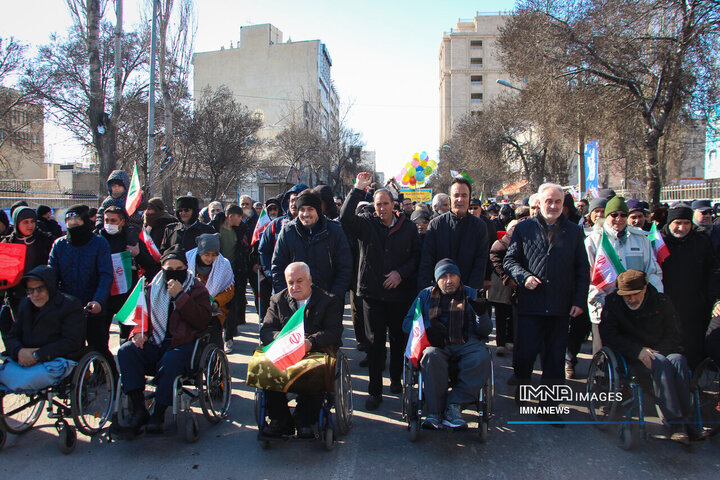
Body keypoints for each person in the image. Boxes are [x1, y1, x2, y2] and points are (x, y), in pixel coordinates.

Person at [504, 183, 590, 422]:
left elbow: (583, 269)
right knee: (526, 353)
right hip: (531, 303)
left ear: (563, 205)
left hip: (561, 306)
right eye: (548, 201)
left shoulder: (573, 231)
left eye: (557, 202)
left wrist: (579, 301)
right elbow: (510, 261)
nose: (553, 206)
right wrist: (524, 277)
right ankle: (523, 388)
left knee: (554, 357)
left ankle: (549, 405)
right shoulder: (524, 229)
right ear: (539, 204)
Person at [341, 172, 421, 410]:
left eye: (386, 203)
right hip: (372, 294)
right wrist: (358, 189)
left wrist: (401, 274)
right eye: (378, 204)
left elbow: (416, 256)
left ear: (394, 205)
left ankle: (396, 380)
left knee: (398, 340)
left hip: (398, 294)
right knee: (374, 344)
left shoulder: (408, 228)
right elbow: (344, 217)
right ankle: (375, 390)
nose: (382, 208)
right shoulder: (367, 225)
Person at [600, 270, 706, 444]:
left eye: (635, 294)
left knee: (678, 360)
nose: (631, 299)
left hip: (661, 351)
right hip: (631, 357)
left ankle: (688, 421)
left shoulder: (662, 302)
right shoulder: (614, 304)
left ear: (645, 288)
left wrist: (658, 351)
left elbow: (674, 333)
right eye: (626, 296)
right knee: (662, 363)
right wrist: (638, 351)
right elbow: (610, 336)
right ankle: (676, 424)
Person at [115, 245, 212, 436]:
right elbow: (139, 315)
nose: (174, 274)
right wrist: (138, 332)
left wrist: (180, 297)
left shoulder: (196, 289)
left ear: (186, 268)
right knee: (126, 351)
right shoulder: (151, 287)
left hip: (182, 343)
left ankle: (158, 413)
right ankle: (138, 408)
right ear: (162, 269)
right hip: (155, 341)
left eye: (179, 269)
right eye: (169, 270)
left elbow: (201, 321)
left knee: (170, 361)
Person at [403, 258, 492, 429]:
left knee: (481, 357)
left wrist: (482, 315)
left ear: (459, 277)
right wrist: (427, 330)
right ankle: (435, 412)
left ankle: (454, 406)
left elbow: (485, 331)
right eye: (444, 277)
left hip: (466, 341)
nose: (449, 281)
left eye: (452, 276)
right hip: (437, 343)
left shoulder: (471, 294)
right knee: (430, 356)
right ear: (437, 279)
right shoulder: (426, 295)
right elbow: (407, 323)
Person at [259, 262, 343, 438]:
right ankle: (280, 420)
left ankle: (305, 419)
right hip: (286, 351)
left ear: (310, 280)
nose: (294, 286)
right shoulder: (278, 300)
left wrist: (311, 342)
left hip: (315, 350)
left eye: (299, 281)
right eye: (290, 282)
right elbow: (266, 330)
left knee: (313, 370)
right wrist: (282, 340)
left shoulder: (328, 300)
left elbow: (334, 332)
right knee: (265, 366)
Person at [585, 196, 662, 353]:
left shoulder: (641, 239)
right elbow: (588, 276)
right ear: (606, 216)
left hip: (635, 305)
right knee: (602, 352)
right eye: (614, 215)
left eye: (623, 215)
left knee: (635, 350)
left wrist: (654, 296)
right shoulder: (593, 240)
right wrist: (598, 301)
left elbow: (653, 271)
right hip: (604, 304)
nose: (618, 219)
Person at [48, 205, 114, 375]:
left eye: (78, 223)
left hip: (92, 304)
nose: (74, 226)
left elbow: (106, 274)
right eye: (70, 224)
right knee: (70, 347)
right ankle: (77, 380)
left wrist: (98, 300)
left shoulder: (99, 243)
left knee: (98, 345)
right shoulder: (60, 245)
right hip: (67, 305)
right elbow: (52, 274)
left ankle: (108, 377)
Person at [0, 266, 86, 390]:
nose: (34, 295)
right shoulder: (25, 304)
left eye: (39, 289)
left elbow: (71, 341)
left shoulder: (69, 305)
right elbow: (12, 335)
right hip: (24, 360)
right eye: (30, 290)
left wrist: (37, 355)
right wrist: (19, 351)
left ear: (50, 287)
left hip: (53, 360)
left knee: (27, 379)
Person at [659, 202, 720, 369]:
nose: (682, 227)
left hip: (695, 307)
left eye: (686, 223)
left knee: (694, 349)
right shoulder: (658, 242)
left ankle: (693, 386)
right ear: (669, 223)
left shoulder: (701, 241)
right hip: (666, 306)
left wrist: (715, 299)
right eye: (677, 223)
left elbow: (713, 272)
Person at [271, 189, 352, 298]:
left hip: (328, 301)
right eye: (302, 209)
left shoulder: (335, 231)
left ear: (318, 210)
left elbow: (344, 268)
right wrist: (286, 298)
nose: (306, 214)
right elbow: (278, 267)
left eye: (310, 209)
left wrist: (334, 297)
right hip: (295, 301)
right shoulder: (287, 232)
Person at [418, 176, 489, 292]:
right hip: (440, 291)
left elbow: (480, 263)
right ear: (450, 198)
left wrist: (470, 292)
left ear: (469, 198)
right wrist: (425, 293)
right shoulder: (436, 225)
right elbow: (427, 262)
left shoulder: (479, 227)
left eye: (464, 195)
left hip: (468, 292)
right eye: (456, 195)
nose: (460, 199)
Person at [101, 206, 158, 344]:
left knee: (127, 338)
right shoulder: (98, 238)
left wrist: (138, 254)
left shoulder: (133, 238)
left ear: (122, 222)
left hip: (127, 296)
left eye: (113, 220)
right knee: (100, 338)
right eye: (106, 220)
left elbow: (152, 266)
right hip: (105, 295)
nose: (109, 224)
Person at [1, 207, 55, 317]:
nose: (30, 226)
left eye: (32, 222)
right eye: (25, 222)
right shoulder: (8, 243)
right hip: (16, 297)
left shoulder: (46, 240)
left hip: (41, 294)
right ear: (17, 223)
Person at [186, 233, 234, 347]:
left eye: (213, 255)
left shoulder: (224, 265)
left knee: (214, 340)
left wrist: (216, 302)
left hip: (214, 312)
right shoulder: (187, 261)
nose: (210, 258)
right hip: (190, 309)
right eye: (206, 254)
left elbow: (229, 290)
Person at [216, 205, 248, 350]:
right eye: (239, 217)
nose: (241, 220)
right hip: (217, 272)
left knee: (232, 305)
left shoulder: (238, 231)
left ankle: (228, 337)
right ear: (231, 217)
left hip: (234, 273)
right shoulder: (217, 230)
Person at [95, 169, 142, 236]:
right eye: (114, 186)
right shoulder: (108, 201)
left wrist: (139, 197)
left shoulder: (130, 198)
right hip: (112, 225)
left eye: (119, 186)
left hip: (131, 224)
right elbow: (100, 213)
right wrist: (100, 223)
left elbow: (143, 205)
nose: (116, 188)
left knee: (132, 237)